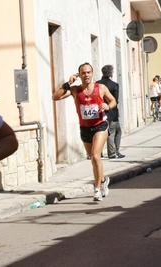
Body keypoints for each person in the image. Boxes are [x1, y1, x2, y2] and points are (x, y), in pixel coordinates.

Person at [52, 62, 115, 201]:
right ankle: (103, 181)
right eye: (83, 73)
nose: (86, 75)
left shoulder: (101, 88)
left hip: (100, 125)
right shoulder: (75, 90)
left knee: (95, 156)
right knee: (93, 159)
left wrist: (108, 106)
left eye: (88, 72)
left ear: (92, 74)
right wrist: (67, 84)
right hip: (85, 128)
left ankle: (97, 189)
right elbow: (55, 97)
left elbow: (113, 101)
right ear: (79, 75)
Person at [96, 65, 125, 159]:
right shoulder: (114, 85)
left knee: (100, 132)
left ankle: (99, 152)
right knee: (115, 131)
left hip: (99, 112)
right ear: (111, 74)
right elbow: (115, 100)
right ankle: (113, 152)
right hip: (111, 112)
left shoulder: (96, 84)